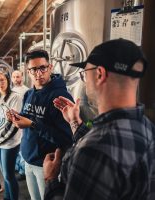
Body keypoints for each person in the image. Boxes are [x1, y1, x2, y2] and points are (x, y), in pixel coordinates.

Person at [43, 39, 155, 200]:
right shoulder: (147, 126)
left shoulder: (94, 151)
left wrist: (51, 179)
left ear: (100, 74)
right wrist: (74, 122)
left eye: (84, 74)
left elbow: (98, 147)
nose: (85, 81)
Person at [9, 50, 73, 200]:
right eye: (33, 69)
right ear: (28, 71)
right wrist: (16, 117)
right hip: (28, 159)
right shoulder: (28, 94)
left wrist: (32, 124)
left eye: (42, 68)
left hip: (46, 164)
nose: (38, 73)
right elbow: (28, 118)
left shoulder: (60, 96)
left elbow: (66, 139)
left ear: (50, 67)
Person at [0, 70, 22, 200]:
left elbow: (14, 125)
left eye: (2, 80)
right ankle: (7, 197)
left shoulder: (15, 97)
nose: (0, 83)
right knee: (5, 174)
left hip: (9, 143)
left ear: (8, 81)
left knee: (9, 175)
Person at [11, 70, 29, 181]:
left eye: (18, 76)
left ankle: (23, 171)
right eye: (14, 77)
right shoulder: (10, 91)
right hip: (12, 122)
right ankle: (17, 166)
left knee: (22, 148)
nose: (16, 79)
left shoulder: (27, 91)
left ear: (22, 77)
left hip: (22, 121)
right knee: (15, 146)